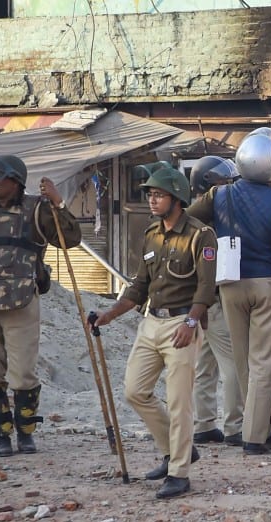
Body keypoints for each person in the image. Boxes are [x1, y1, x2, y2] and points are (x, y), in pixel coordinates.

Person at [93, 166, 217, 499]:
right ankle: (177, 448)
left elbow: (207, 287)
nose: (152, 199)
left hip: (182, 323)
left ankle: (179, 473)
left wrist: (191, 323)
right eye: (150, 194)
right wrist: (110, 314)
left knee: (179, 403)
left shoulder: (200, 235)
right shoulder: (150, 233)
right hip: (152, 322)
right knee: (135, 390)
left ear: (176, 199)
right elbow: (139, 285)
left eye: (158, 194)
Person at [0, 155, 81, 458]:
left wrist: (58, 205)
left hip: (21, 301)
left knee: (23, 374)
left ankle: (25, 433)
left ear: (15, 181)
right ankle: (0, 436)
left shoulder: (37, 209)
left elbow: (71, 239)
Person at [186, 133, 271, 456]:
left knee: (243, 361)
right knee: (263, 362)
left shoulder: (217, 195)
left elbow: (188, 222)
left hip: (229, 286)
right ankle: (254, 437)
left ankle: (264, 430)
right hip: (267, 285)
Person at [187, 156, 241, 446]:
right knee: (232, 363)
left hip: (199, 301)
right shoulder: (207, 216)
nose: (229, 186)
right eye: (223, 182)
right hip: (215, 298)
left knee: (205, 364)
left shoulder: (192, 218)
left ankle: (204, 423)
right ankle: (235, 426)